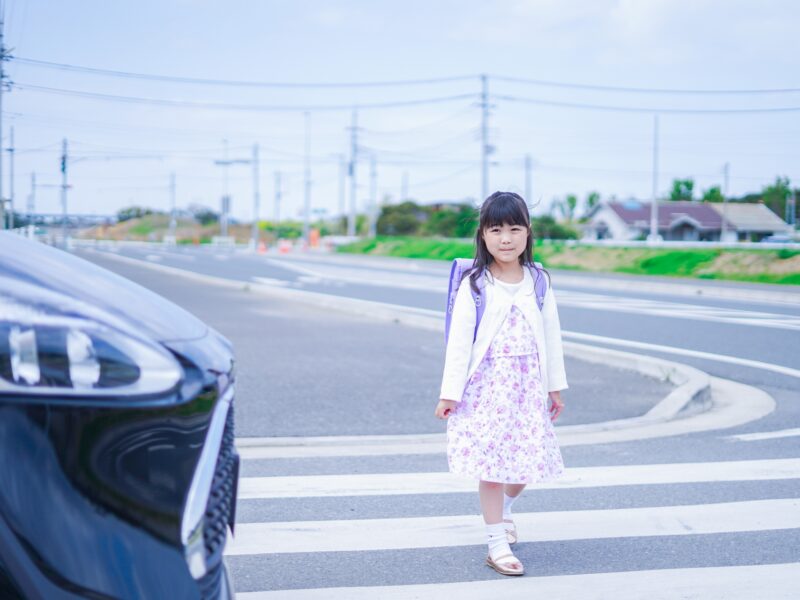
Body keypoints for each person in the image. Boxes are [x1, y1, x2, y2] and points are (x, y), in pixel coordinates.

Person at [434, 191, 567, 577]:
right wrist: (449, 393)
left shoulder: (538, 280)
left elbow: (552, 335)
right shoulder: (475, 283)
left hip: (527, 387)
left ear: (528, 233)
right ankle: (497, 542)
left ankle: (506, 511)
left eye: (514, 228)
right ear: (483, 235)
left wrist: (553, 386)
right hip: (485, 387)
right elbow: (459, 342)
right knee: (491, 466)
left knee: (525, 466)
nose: (506, 238)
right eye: (496, 229)